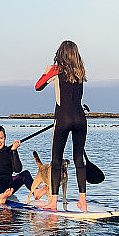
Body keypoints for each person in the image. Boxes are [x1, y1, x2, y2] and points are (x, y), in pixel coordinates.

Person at [35, 40, 88, 211]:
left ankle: (53, 203)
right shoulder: (80, 72)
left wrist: (46, 73)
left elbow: (38, 87)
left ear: (60, 54)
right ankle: (83, 201)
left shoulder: (56, 70)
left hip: (63, 119)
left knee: (56, 160)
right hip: (80, 119)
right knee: (78, 159)